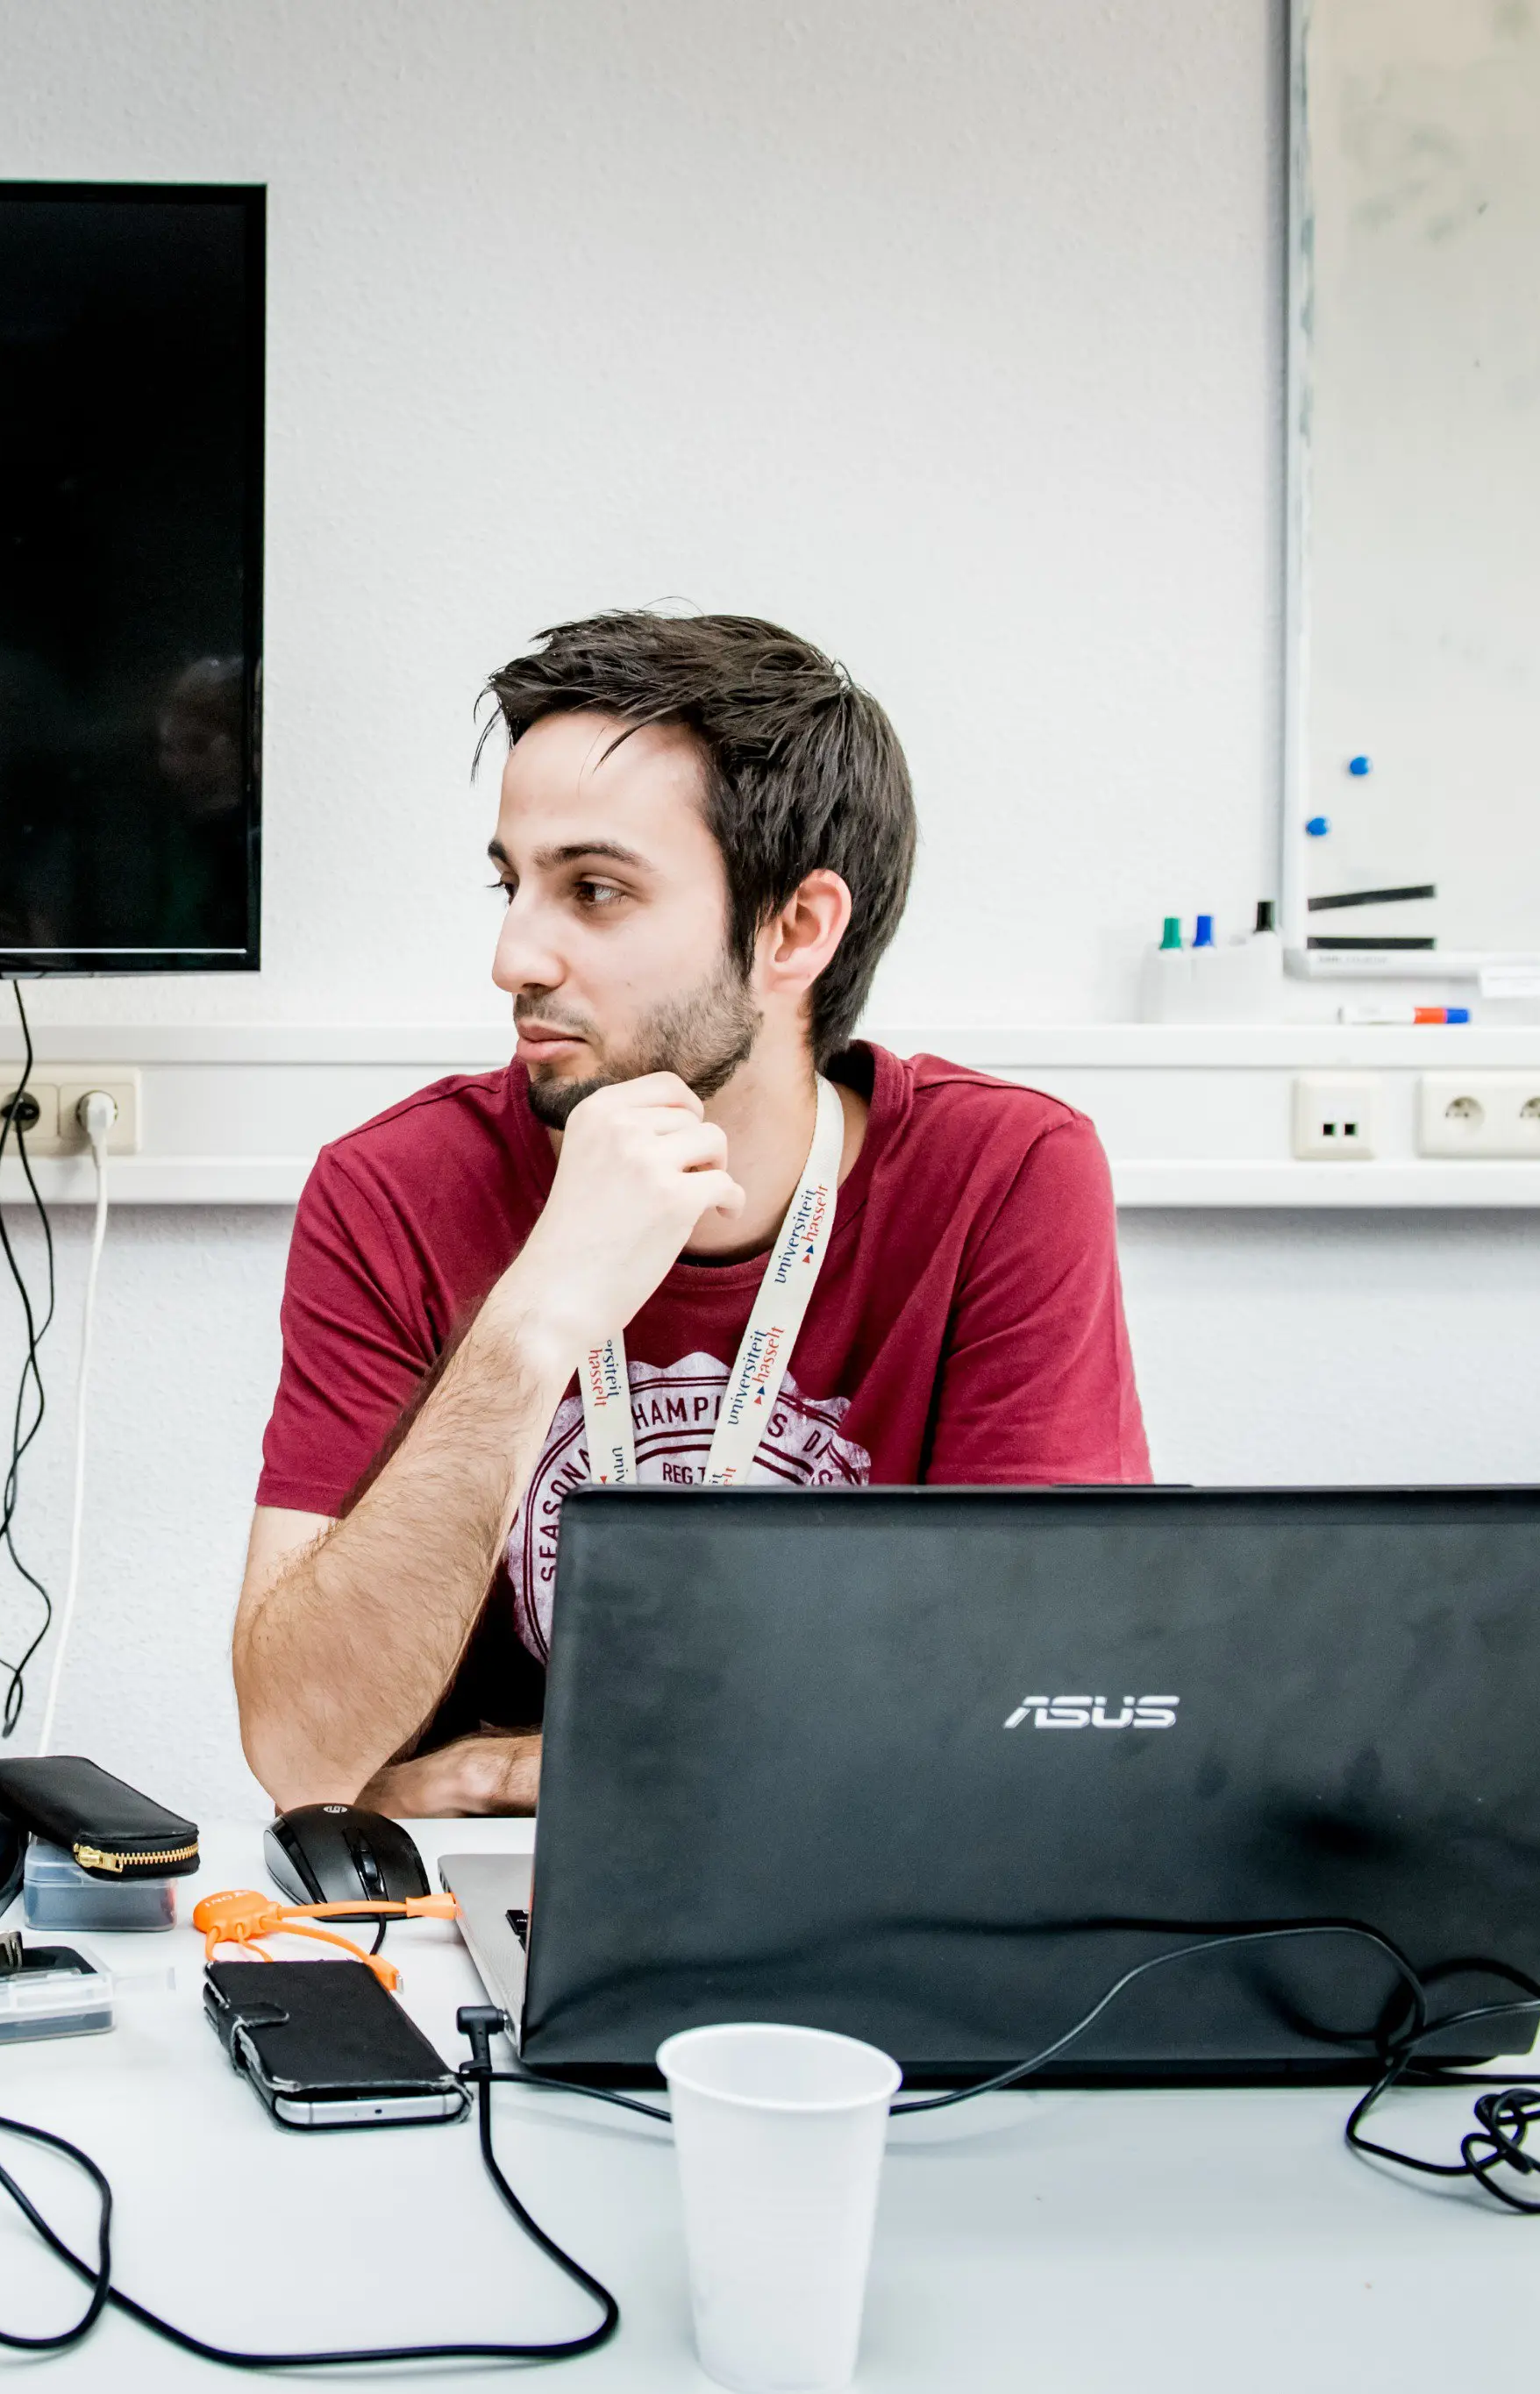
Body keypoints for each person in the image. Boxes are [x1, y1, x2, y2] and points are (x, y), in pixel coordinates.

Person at [233, 611, 1149, 1815]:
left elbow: (1041, 1720)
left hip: (857, 1892)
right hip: (492, 1918)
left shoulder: (1006, 1175)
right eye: (512, 885)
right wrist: (530, 1324)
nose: (514, 954)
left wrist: (570, 1769)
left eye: (594, 890)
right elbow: (302, 1755)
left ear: (794, 930)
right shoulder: (395, 1187)